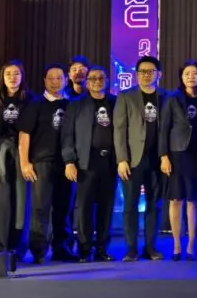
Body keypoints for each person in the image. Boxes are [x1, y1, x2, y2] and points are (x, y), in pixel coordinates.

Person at [18, 63, 77, 263]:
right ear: (44, 80)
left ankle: (62, 248)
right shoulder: (35, 104)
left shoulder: (71, 104)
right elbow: (24, 135)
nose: (55, 82)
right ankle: (38, 251)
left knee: (64, 208)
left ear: (66, 80)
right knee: (40, 209)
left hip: (67, 164)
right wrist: (25, 163)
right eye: (51, 78)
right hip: (42, 163)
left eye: (59, 78)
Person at [61, 66, 117, 262]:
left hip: (110, 162)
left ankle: (102, 248)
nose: (97, 81)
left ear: (107, 81)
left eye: (101, 78)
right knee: (84, 208)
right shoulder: (76, 104)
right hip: (85, 162)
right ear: (87, 82)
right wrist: (69, 161)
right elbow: (67, 135)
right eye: (93, 78)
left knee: (106, 208)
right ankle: (84, 249)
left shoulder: (115, 102)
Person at [114, 55, 165, 262]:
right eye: (142, 72)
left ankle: (151, 247)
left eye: (150, 71)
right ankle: (132, 249)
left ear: (159, 74)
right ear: (136, 75)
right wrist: (121, 159)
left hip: (158, 160)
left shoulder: (166, 97)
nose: (146, 75)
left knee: (154, 204)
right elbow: (119, 130)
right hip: (132, 160)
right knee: (130, 205)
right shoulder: (126, 96)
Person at [0, 60, 32, 259]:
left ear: (22, 76)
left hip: (22, 151)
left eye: (16, 73)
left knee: (20, 198)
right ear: (2, 77)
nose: (12, 77)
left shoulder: (30, 99)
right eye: (8, 74)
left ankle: (16, 247)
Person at [159, 60, 197, 261]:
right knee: (176, 200)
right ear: (181, 77)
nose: (190, 77)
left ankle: (191, 245)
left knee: (193, 200)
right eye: (187, 73)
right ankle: (177, 245)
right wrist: (164, 156)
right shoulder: (173, 98)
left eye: (194, 73)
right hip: (177, 154)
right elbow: (164, 129)